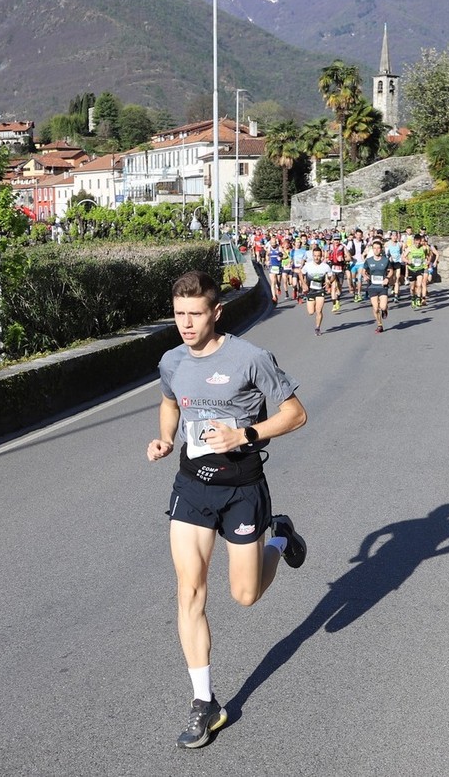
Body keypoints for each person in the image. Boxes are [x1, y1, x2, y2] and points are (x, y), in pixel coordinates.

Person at [147, 270, 308, 749]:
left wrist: (246, 434)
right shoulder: (172, 360)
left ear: (216, 312)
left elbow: (296, 413)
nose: (187, 324)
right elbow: (169, 402)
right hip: (193, 487)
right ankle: (204, 702)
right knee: (189, 591)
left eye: (196, 314)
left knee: (245, 594)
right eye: (179, 314)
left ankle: (279, 536)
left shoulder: (251, 358)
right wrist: (166, 438)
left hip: (242, 487)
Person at [301, 244, 332, 335]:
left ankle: (317, 328)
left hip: (320, 291)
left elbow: (331, 276)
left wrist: (328, 282)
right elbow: (301, 273)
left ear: (321, 256)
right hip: (310, 291)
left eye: (318, 256)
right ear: (312, 256)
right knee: (311, 312)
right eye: (315, 256)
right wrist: (303, 284)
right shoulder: (308, 265)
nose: (316, 258)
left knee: (319, 310)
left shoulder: (325, 266)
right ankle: (312, 305)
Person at [362, 238, 391, 332]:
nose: (376, 250)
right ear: (372, 249)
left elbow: (391, 271)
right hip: (372, 286)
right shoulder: (369, 261)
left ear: (381, 249)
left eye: (378, 248)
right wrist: (365, 276)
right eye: (374, 248)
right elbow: (363, 271)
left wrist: (387, 278)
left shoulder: (385, 260)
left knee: (382, 306)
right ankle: (379, 324)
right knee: (375, 308)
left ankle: (385, 309)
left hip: (383, 286)